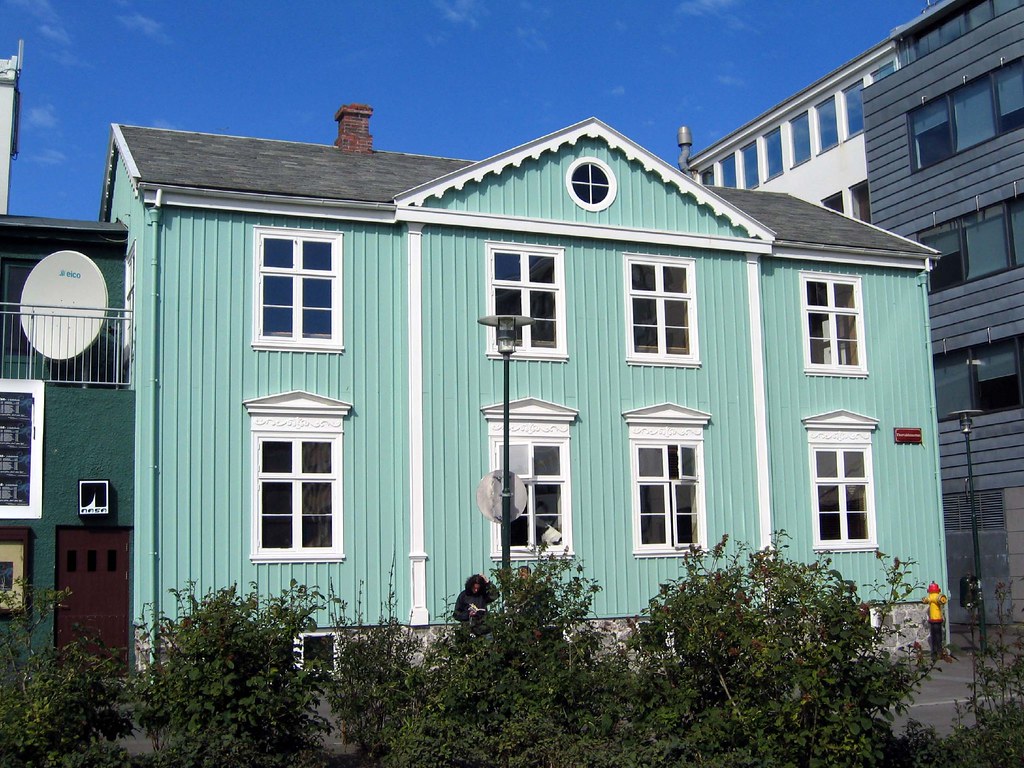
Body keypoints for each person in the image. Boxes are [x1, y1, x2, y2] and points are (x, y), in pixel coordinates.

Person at [922, 581, 948, 660]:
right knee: (938, 636)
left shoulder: (932, 597)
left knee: (934, 636)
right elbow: (941, 600)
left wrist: (927, 600)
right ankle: (938, 652)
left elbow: (928, 600)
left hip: (934, 620)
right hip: (937, 620)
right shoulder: (935, 597)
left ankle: (935, 653)